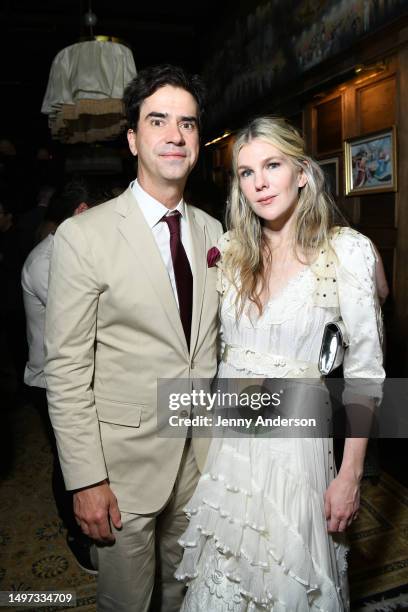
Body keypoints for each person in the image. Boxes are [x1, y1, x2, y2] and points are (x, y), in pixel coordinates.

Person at [176, 116, 385, 611]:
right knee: (223, 577)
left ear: (303, 173)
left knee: (289, 578)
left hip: (295, 452)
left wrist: (351, 474)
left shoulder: (347, 252)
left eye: (272, 165)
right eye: (246, 173)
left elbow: (366, 375)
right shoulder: (230, 252)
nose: (260, 182)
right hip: (230, 448)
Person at [44, 64, 223, 612]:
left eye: (188, 124)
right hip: (121, 475)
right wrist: (85, 480)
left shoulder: (214, 232)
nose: (175, 135)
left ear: (198, 141)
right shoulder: (83, 236)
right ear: (132, 139)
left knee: (183, 593)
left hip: (199, 466)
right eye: (158, 121)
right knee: (125, 602)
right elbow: (67, 370)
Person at [22, 178, 109, 574]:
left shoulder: (77, 250)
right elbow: (85, 322)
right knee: (69, 461)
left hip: (81, 374)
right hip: (49, 380)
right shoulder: (47, 259)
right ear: (82, 213)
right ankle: (77, 537)